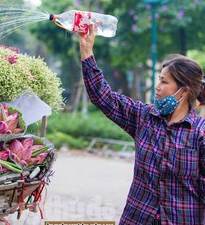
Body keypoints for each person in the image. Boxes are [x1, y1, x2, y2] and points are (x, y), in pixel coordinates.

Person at [79, 25, 205, 225]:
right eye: (159, 80)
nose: (157, 87)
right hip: (137, 218)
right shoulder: (144, 118)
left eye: (164, 82)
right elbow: (104, 97)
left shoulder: (200, 133)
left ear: (184, 91)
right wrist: (87, 51)